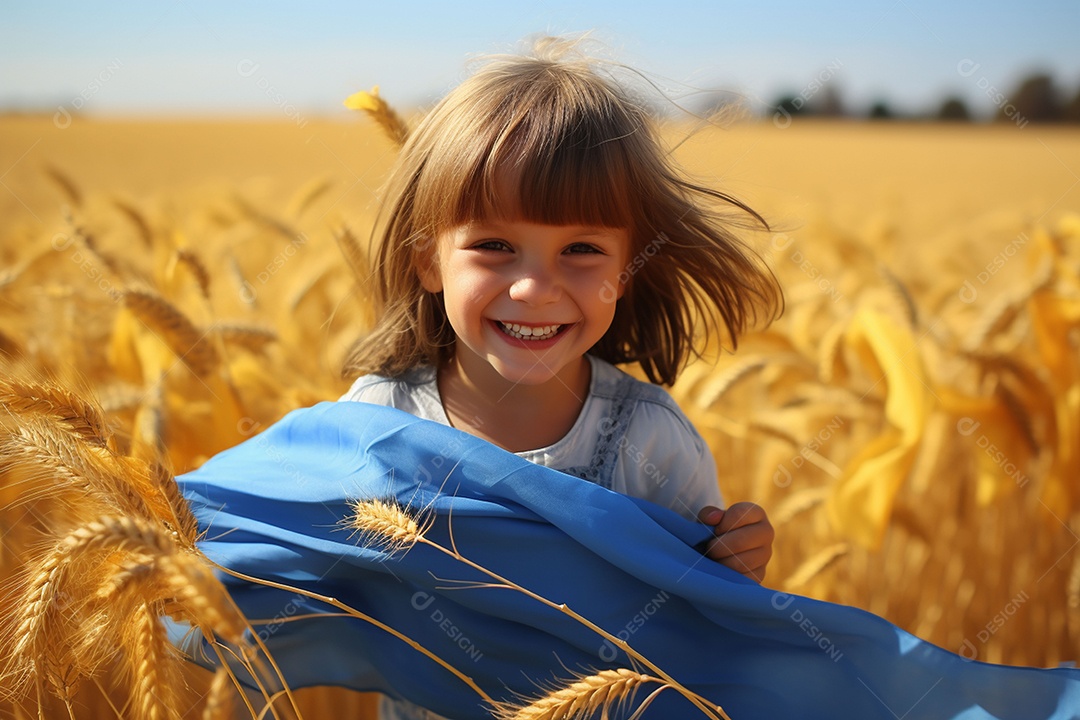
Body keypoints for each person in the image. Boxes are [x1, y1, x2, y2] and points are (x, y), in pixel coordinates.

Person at [337, 35, 783, 720]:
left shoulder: (648, 437)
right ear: (428, 259)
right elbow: (301, 565)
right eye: (494, 246)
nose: (535, 288)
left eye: (581, 249)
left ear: (628, 269)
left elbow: (699, 625)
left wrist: (734, 567)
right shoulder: (377, 419)